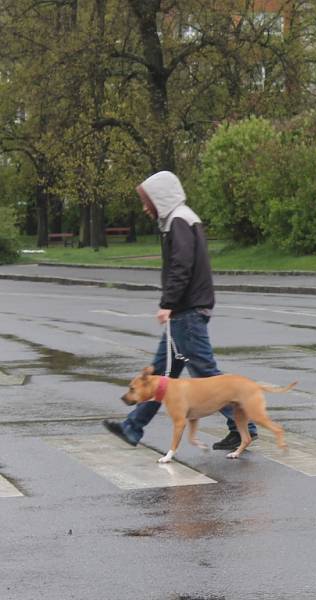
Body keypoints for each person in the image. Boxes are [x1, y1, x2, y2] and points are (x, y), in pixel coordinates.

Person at [103, 170, 256, 451]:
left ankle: (243, 425)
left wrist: (168, 303)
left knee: (206, 373)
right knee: (161, 375)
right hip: (185, 312)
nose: (145, 207)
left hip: (186, 311)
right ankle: (132, 427)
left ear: (160, 197)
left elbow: (181, 265)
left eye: (147, 201)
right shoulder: (179, 219)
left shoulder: (179, 221)